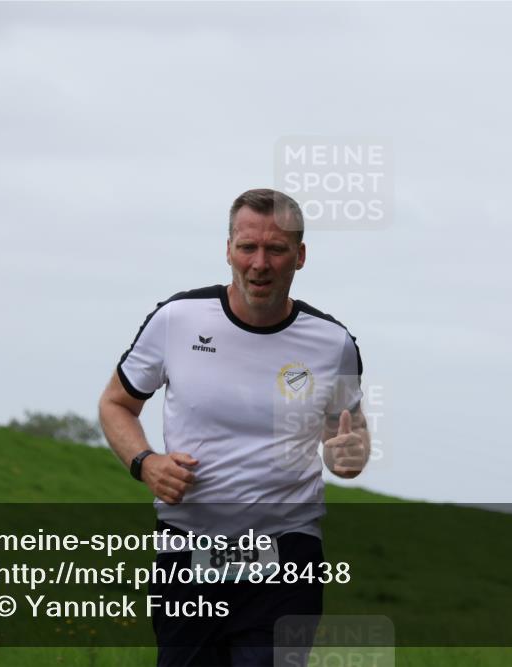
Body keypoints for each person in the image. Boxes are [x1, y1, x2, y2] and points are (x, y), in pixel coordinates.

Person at [98, 188, 370, 666]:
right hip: (189, 551)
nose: (259, 263)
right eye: (248, 247)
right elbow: (116, 404)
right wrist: (146, 463)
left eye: (276, 249)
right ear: (228, 250)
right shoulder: (177, 320)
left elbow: (348, 431)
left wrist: (351, 455)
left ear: (300, 256)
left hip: (287, 552)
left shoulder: (333, 343)